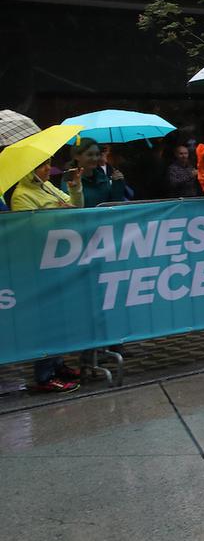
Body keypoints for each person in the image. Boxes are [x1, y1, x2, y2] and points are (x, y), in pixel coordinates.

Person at [11, 158, 84, 393]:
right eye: (42, 166)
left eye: (49, 164)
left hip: (60, 259)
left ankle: (58, 364)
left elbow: (76, 208)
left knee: (60, 316)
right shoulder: (21, 195)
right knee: (46, 319)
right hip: (38, 264)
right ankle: (44, 375)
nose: (48, 169)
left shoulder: (48, 186)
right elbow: (28, 230)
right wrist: (57, 214)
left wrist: (75, 188)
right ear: (29, 170)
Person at [63, 138, 128, 207]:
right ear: (77, 156)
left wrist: (117, 184)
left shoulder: (102, 177)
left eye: (97, 154)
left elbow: (114, 205)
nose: (95, 158)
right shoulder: (70, 179)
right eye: (90, 155)